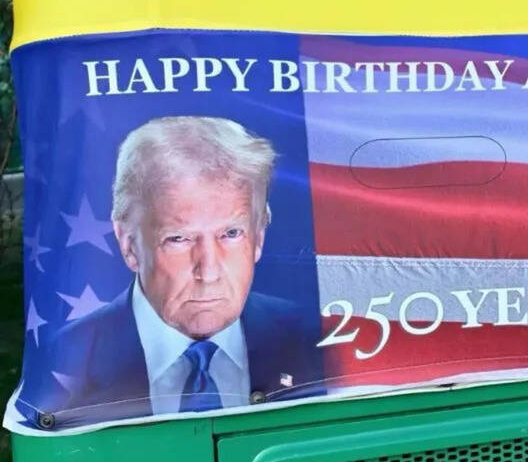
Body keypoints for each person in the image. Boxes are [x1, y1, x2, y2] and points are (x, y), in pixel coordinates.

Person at [33, 116, 323, 428]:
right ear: (130, 245)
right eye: (178, 239)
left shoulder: (320, 341)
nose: (209, 271)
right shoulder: (63, 359)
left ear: (259, 238)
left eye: (231, 234)